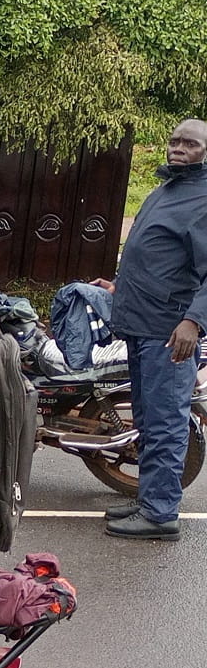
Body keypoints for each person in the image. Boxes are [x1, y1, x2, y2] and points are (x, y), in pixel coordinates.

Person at [104, 118, 207, 540]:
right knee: (148, 420)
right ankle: (150, 499)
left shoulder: (202, 199)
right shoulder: (168, 190)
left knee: (165, 422)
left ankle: (161, 515)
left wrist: (194, 321)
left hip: (170, 335)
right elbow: (158, 257)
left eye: (191, 144)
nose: (178, 148)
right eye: (174, 141)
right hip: (142, 324)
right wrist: (117, 285)